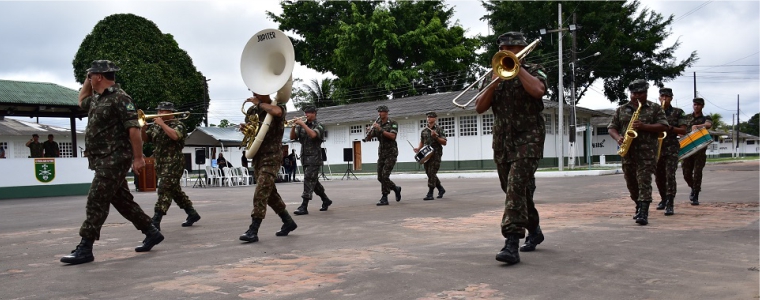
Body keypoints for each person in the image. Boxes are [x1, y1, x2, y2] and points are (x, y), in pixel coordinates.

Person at [60, 60, 163, 265]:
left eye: (90, 75)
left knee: (96, 199)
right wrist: (87, 81)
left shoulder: (120, 98)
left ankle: (85, 247)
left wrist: (138, 158)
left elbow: (133, 130)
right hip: (101, 159)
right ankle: (151, 231)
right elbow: (81, 101)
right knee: (122, 201)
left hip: (114, 158)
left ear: (99, 76)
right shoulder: (97, 99)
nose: (88, 79)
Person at [474, 32, 547, 265]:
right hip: (503, 142)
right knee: (515, 191)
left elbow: (538, 91)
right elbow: (479, 107)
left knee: (515, 189)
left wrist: (518, 67)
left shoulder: (535, 69)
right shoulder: (494, 73)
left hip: (529, 137)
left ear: (523, 50)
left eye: (512, 48)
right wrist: (494, 82)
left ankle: (511, 243)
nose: (508, 52)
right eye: (504, 48)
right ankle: (534, 229)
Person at [238, 85, 298, 243]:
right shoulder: (252, 111)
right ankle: (288, 222)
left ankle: (253, 229)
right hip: (257, 156)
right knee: (270, 194)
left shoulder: (277, 105)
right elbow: (253, 130)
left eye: (257, 90)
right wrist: (246, 129)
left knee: (261, 190)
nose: (254, 93)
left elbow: (277, 113)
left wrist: (259, 104)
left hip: (272, 157)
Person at [608, 79, 668, 226]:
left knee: (644, 182)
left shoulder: (655, 108)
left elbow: (663, 126)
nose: (636, 96)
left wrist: (644, 126)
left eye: (640, 93)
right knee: (631, 183)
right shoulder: (621, 109)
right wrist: (618, 137)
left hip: (647, 153)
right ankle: (638, 204)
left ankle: (643, 212)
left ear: (646, 93)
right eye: (634, 93)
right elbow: (611, 127)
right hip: (628, 152)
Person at [141, 102, 201, 231]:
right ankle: (192, 213)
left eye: (162, 111)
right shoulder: (156, 126)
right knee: (174, 191)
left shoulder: (178, 125)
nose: (159, 114)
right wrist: (143, 129)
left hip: (174, 162)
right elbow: (146, 139)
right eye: (158, 111)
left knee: (164, 189)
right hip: (160, 163)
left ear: (170, 112)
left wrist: (162, 124)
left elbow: (175, 136)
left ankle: (156, 220)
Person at [290, 105, 333, 215]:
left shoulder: (319, 125)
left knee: (308, 179)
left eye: (309, 112)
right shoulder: (301, 126)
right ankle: (325, 200)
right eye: (306, 112)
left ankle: (304, 206)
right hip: (304, 157)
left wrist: (302, 124)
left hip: (314, 158)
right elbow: (292, 137)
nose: (306, 115)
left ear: (314, 113)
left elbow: (313, 135)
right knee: (313, 182)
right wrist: (294, 126)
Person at [654, 88, 687, 215]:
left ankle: (670, 203)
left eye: (667, 96)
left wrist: (669, 128)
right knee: (658, 176)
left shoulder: (678, 112)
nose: (664, 98)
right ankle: (663, 198)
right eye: (662, 96)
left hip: (671, 148)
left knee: (670, 176)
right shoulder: (655, 112)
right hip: (657, 148)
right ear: (659, 97)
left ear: (671, 98)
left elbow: (683, 130)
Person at [364, 105, 402, 206]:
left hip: (391, 153)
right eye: (378, 112)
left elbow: (393, 136)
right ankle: (395, 188)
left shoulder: (393, 123)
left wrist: (380, 129)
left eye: (381, 112)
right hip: (381, 153)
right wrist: (369, 132)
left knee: (385, 175)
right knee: (380, 177)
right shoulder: (378, 124)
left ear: (386, 112)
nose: (379, 114)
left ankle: (384, 197)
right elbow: (369, 138)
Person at [682, 97, 713, 205]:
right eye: (695, 104)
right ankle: (694, 188)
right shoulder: (686, 118)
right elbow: (681, 127)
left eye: (699, 105)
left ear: (702, 106)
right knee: (686, 173)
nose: (696, 106)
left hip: (699, 150)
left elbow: (708, 125)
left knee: (698, 173)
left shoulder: (706, 118)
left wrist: (698, 126)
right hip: (688, 149)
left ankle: (695, 195)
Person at [413, 111, 447, 200]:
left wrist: (436, 137)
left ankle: (430, 193)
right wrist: (418, 148)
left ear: (435, 118)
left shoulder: (439, 129)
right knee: (429, 172)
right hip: (426, 153)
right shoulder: (424, 130)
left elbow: (444, 142)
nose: (429, 118)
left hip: (436, 153)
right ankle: (440, 188)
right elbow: (422, 141)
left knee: (432, 172)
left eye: (431, 117)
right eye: (428, 117)